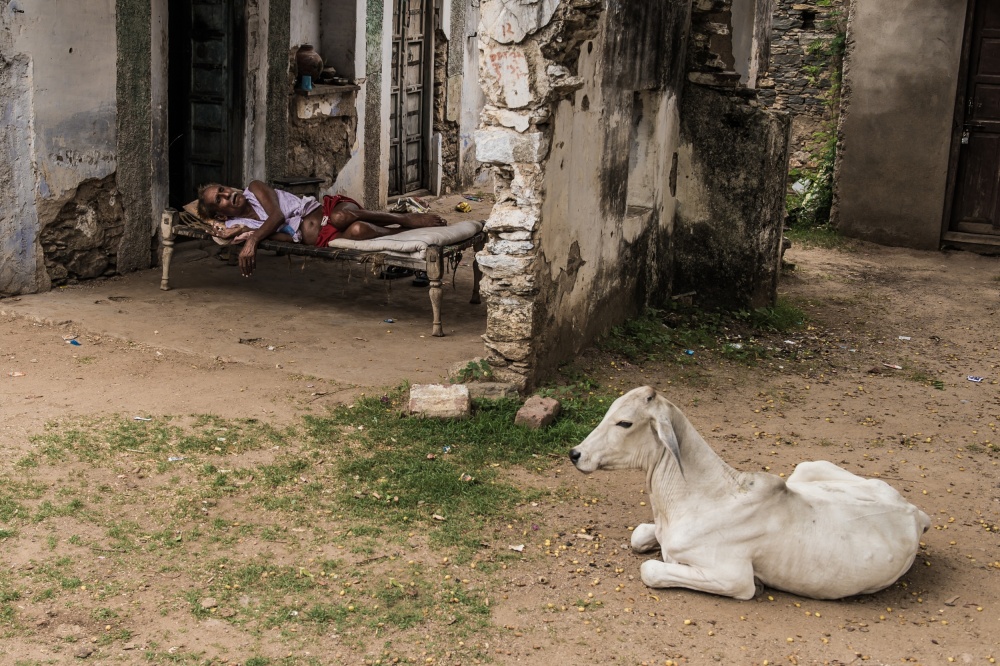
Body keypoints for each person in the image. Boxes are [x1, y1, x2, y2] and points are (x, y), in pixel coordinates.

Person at [197, 180, 446, 277]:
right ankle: (400, 233)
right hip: (322, 238)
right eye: (219, 199)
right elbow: (284, 236)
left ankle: (403, 219)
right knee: (358, 232)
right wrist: (243, 234)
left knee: (339, 217)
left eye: (223, 189)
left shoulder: (255, 189)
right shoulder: (237, 227)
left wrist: (251, 241)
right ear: (220, 213)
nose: (227, 195)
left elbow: (277, 216)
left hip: (328, 210)